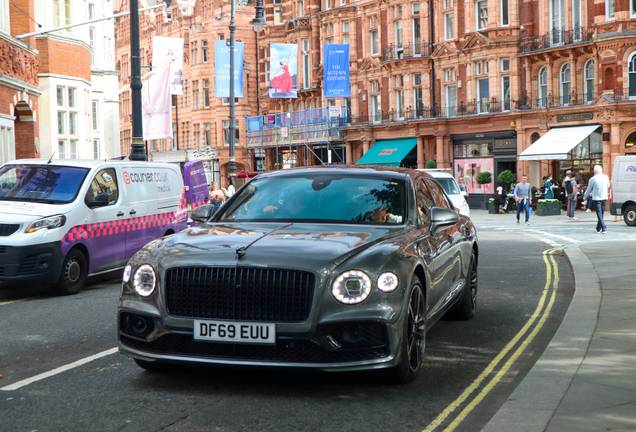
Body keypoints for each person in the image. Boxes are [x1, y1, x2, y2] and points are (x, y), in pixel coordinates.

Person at [584, 165, 611, 234]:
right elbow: (608, 185)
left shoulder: (592, 179)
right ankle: (598, 228)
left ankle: (604, 227)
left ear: (594, 171)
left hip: (596, 198)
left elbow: (589, 189)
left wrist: (585, 196)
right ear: (601, 171)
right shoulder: (605, 177)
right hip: (604, 197)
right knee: (601, 213)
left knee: (599, 213)